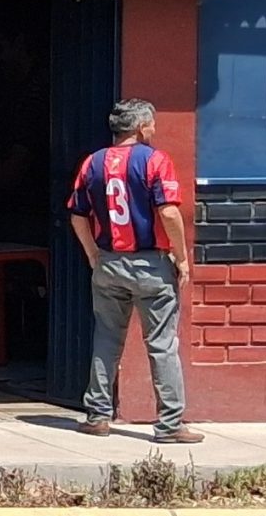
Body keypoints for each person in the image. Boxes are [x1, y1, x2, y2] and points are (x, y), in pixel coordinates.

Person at [67, 98, 201, 443]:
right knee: (161, 344)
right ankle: (169, 423)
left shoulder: (92, 163)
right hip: (151, 265)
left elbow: (77, 214)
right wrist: (181, 257)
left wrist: (93, 254)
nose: (154, 130)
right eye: (152, 124)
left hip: (109, 262)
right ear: (141, 127)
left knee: (107, 338)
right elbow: (169, 213)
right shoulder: (155, 160)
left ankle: (97, 415)